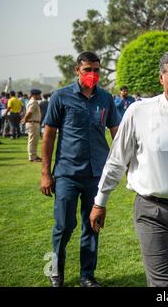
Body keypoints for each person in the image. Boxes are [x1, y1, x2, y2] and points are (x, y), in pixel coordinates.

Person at [89, 45, 168, 287]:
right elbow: (117, 160)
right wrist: (100, 202)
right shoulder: (139, 112)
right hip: (153, 212)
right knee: (164, 285)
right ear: (161, 78)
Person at [41, 51, 120, 287]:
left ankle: (87, 275)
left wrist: (125, 159)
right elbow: (49, 136)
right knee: (64, 226)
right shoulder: (60, 97)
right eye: (88, 70)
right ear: (77, 71)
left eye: (96, 70)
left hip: (97, 174)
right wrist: (46, 173)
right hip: (67, 173)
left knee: (92, 225)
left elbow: (117, 132)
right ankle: (56, 272)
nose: (92, 75)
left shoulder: (105, 98)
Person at [21, 89, 42, 162]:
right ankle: (32, 157)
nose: (40, 96)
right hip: (32, 123)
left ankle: (34, 155)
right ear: (34, 95)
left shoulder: (33, 101)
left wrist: (24, 119)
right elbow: (29, 113)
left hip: (34, 123)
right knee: (32, 141)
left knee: (34, 141)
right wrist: (25, 120)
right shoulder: (33, 102)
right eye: (38, 94)